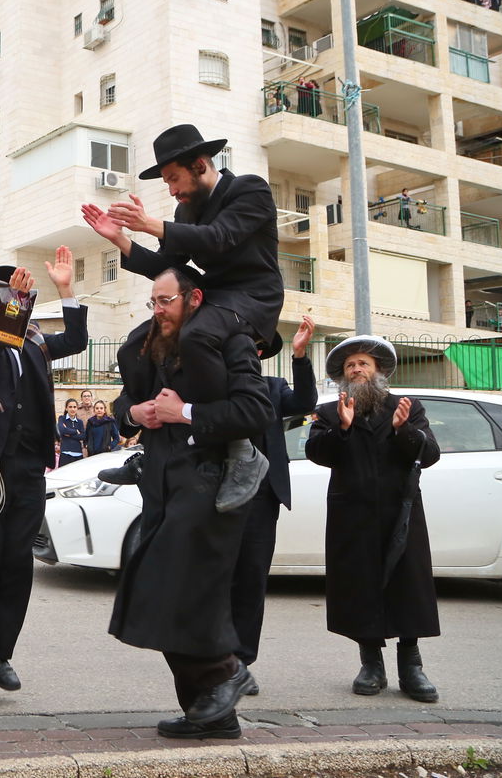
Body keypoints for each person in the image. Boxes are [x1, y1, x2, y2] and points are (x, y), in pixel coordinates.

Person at [107, 266, 272, 740]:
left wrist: (185, 413)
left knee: (177, 591)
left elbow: (255, 411)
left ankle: (227, 672)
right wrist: (134, 413)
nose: (158, 312)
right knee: (159, 594)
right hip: (161, 484)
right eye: (153, 303)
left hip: (209, 484)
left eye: (166, 302)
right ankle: (211, 713)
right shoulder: (149, 345)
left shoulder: (230, 341)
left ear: (194, 298)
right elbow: (126, 403)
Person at [84, 123, 281, 510]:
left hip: (253, 298)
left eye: (174, 178)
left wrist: (152, 225)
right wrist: (121, 239)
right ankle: (149, 446)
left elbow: (218, 238)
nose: (171, 189)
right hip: (211, 300)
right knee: (137, 343)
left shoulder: (250, 189)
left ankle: (243, 451)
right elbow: (166, 264)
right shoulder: (184, 210)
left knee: (194, 337)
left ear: (201, 164)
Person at [0, 249, 88, 699]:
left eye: (19, 290)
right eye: (4, 292)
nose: (15, 296)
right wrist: (15, 306)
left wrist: (65, 289)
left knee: (16, 565)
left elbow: (78, 340)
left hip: (27, 464)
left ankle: (0, 652)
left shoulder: (34, 338)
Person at [305, 335, 442, 703]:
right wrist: (343, 429)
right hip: (353, 513)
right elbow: (316, 451)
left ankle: (411, 666)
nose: (357, 369)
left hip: (402, 510)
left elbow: (429, 454)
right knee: (359, 584)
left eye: (363, 363)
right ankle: (371, 664)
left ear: (378, 370)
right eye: (351, 366)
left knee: (407, 583)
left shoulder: (406, 407)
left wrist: (404, 431)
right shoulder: (332, 412)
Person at [231, 317, 317, 695]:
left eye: (254, 346)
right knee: (218, 580)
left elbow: (305, 403)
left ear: (261, 353)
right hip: (218, 495)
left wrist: (300, 356)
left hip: (262, 498)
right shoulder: (218, 386)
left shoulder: (273, 387)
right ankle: (214, 658)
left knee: (251, 580)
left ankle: (241, 662)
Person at [56, 399, 87, 466]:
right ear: (66, 408)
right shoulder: (62, 418)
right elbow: (62, 430)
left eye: (74, 407)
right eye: (70, 407)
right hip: (65, 453)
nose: (72, 409)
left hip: (78, 454)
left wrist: (69, 434)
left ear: (77, 408)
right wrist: (75, 431)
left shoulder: (79, 422)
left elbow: (83, 436)